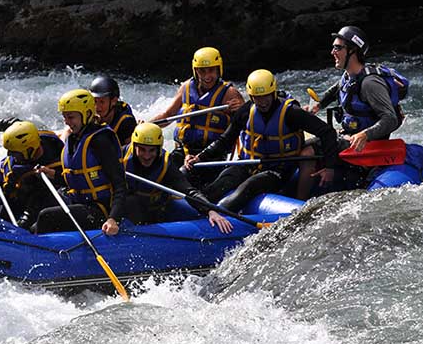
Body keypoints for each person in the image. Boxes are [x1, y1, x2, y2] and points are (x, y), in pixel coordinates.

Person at [185, 69, 339, 212]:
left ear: (273, 93)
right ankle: (193, 214)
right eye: (257, 97)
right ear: (251, 97)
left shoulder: (291, 113)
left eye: (266, 96)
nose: (262, 101)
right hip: (248, 163)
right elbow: (225, 140)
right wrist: (200, 157)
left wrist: (330, 167)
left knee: (247, 188)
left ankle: (218, 216)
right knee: (216, 187)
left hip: (277, 169)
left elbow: (327, 133)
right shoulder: (246, 111)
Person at [33, 89, 127, 236]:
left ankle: (37, 255)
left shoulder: (100, 141)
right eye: (65, 118)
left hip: (100, 210)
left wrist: (113, 218)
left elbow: (120, 183)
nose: (67, 122)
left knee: (46, 217)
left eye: (71, 117)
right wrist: (52, 174)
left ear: (88, 114)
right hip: (79, 202)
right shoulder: (74, 139)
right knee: (35, 224)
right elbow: (78, 178)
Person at [149, 47, 245, 187]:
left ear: (219, 69)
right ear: (195, 71)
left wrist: (238, 111)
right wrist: (146, 125)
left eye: (211, 70)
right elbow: (167, 115)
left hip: (211, 155)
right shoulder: (186, 87)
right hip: (184, 150)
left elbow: (246, 125)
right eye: (202, 71)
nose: (207, 76)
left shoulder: (230, 94)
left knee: (180, 176)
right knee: (160, 171)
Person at [307, 26, 408, 153]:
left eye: (338, 47)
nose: (332, 52)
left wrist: (365, 135)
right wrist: (318, 105)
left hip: (366, 145)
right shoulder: (349, 76)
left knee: (307, 149)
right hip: (350, 136)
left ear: (352, 50)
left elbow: (390, 119)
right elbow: (335, 90)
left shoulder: (370, 83)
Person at [122, 123, 232, 233]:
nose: (147, 156)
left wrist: (210, 210)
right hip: (126, 209)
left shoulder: (166, 164)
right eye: (142, 149)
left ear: (159, 149)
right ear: (134, 146)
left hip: (155, 211)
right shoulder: (120, 157)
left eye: (152, 150)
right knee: (131, 201)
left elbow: (188, 190)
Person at [0, 121, 65, 229]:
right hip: (20, 199)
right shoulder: (14, 169)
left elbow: (70, 179)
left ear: (29, 149)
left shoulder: (56, 150)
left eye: (15, 152)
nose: (10, 155)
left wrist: (53, 174)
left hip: (47, 198)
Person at [88, 75, 138, 145]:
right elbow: (70, 131)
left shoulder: (126, 122)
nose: (97, 107)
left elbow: (130, 151)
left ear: (114, 101)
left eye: (102, 102)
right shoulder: (88, 113)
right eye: (95, 101)